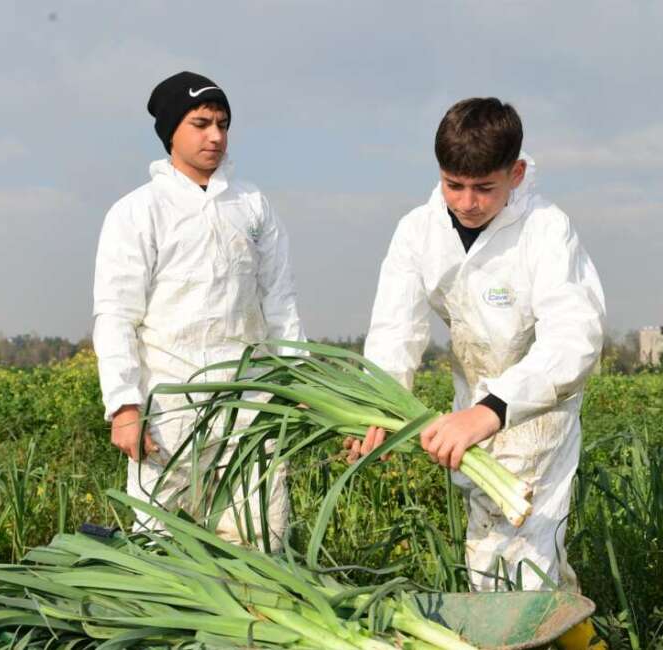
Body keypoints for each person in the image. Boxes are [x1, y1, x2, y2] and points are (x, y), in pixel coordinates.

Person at [349, 97, 606, 595]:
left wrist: (493, 409)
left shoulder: (546, 230)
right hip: (470, 415)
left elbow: (575, 337)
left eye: (484, 188)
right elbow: (396, 331)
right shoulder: (418, 232)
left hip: (537, 415)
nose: (467, 203)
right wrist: (377, 406)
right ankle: (578, 627)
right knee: (497, 557)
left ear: (516, 173)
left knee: (522, 569)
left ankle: (535, 620)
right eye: (454, 185)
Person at [92, 71, 305, 549]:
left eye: (223, 124)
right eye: (201, 123)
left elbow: (280, 301)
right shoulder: (138, 211)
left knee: (259, 543)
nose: (216, 136)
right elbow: (116, 314)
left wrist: (298, 377)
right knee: (164, 549)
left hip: (249, 409)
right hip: (169, 414)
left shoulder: (252, 205)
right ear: (172, 130)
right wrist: (124, 406)